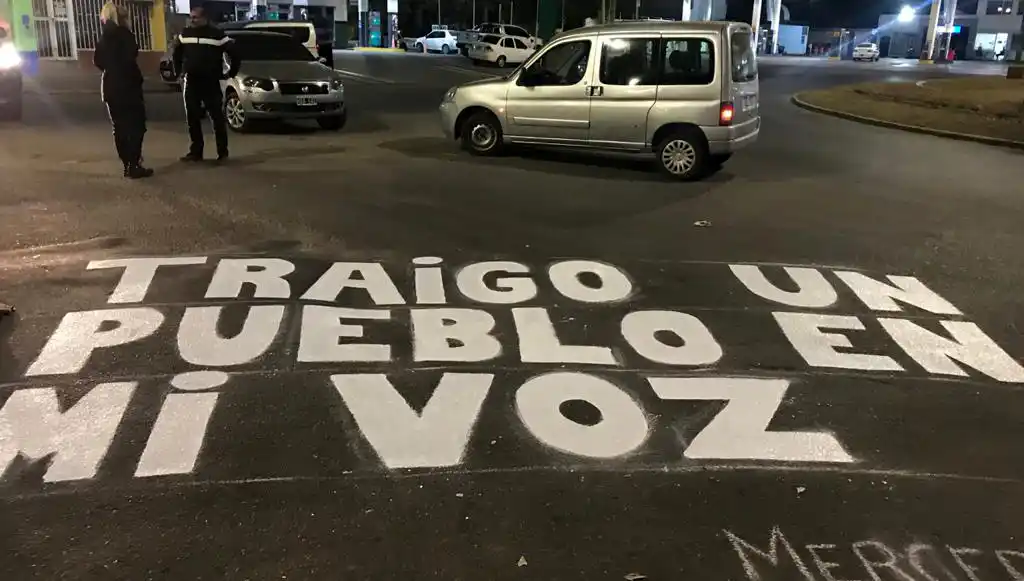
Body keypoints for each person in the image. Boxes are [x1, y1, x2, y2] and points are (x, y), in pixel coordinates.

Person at [172, 7, 239, 163]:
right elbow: (177, 53)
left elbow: (234, 53)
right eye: (191, 17)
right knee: (192, 118)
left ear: (204, 18)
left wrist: (231, 73)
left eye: (195, 17)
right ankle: (196, 152)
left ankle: (222, 153)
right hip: (191, 81)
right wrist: (178, 72)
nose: (192, 20)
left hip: (210, 81)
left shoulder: (217, 34)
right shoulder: (185, 34)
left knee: (216, 117)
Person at [93, 2, 152, 178]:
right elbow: (131, 54)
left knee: (119, 127)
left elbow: (97, 61)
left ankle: (127, 164)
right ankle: (134, 164)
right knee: (136, 126)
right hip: (127, 85)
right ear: (120, 17)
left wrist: (111, 68)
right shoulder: (124, 35)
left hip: (110, 85)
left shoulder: (104, 37)